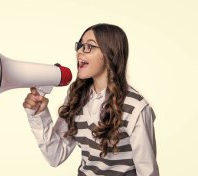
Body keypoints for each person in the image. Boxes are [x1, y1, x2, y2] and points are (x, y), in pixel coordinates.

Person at [23, 23, 159, 176]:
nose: (80, 51)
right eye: (80, 45)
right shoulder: (77, 97)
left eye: (89, 47)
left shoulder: (136, 107)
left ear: (110, 54)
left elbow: (147, 172)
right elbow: (55, 155)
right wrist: (38, 115)